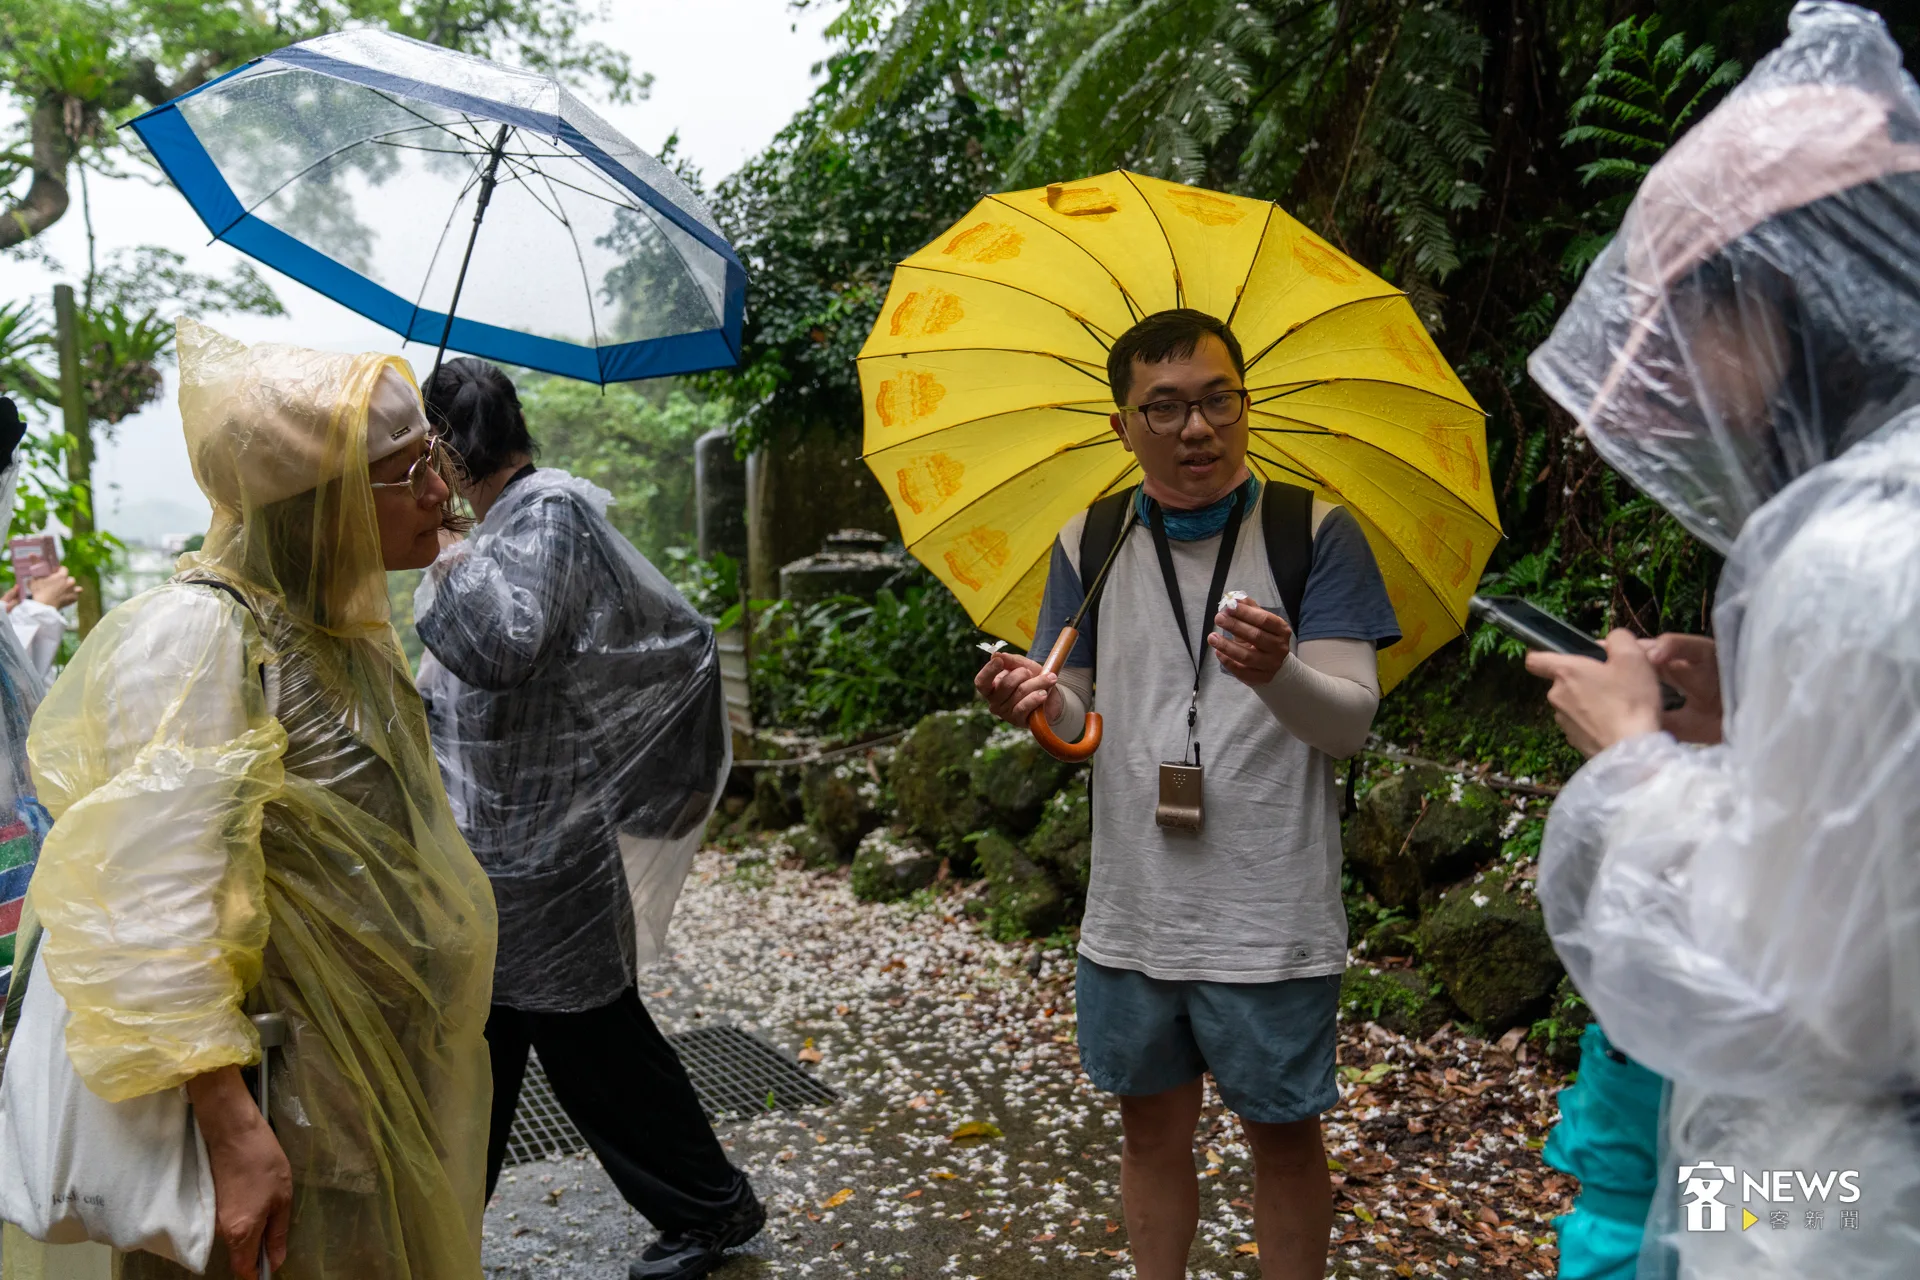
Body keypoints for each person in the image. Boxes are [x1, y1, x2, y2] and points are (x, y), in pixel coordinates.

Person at [1522, 4, 1920, 1275]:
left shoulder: (1856, 558)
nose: (1685, 383)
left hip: (1838, 1200)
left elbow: (1808, 994)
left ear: (1776, 301)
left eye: (1694, 327)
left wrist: (1632, 758)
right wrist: (1759, 731)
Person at [13, 320, 497, 1280]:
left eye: (433, 459)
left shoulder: (339, 634)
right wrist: (232, 1134)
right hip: (270, 1107)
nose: (440, 493)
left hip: (360, 1084)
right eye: (406, 474)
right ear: (320, 504)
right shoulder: (199, 637)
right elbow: (153, 908)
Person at [976, 309, 1401, 1279]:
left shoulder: (1312, 532)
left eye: (1216, 400)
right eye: (1162, 408)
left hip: (1271, 909)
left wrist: (1277, 671)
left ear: (1247, 406)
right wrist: (1033, 704)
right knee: (1147, 1133)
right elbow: (1078, 727)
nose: (1195, 428)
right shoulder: (1092, 538)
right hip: (1134, 912)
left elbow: (1348, 724)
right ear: (1123, 426)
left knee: (1285, 1139)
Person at [414, 358, 758, 1280]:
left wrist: (447, 557)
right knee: (504, 1046)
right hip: (504, 845)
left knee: (588, 1045)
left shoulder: (549, 514)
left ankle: (711, 1209)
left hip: (547, 850)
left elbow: (505, 647)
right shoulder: (509, 523)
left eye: (422, 451)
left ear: (447, 451)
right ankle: (440, 1233)